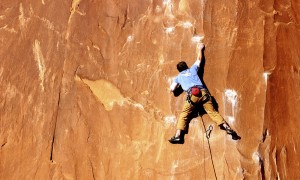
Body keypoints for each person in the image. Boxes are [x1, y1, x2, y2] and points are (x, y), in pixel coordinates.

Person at [169, 43, 240, 144]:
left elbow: (172, 89)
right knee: (213, 113)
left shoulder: (178, 77)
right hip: (204, 93)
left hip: (192, 96)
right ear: (186, 66)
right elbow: (199, 59)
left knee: (184, 114)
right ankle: (226, 127)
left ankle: (178, 136)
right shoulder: (192, 69)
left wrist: (180, 85)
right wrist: (200, 49)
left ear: (179, 70)